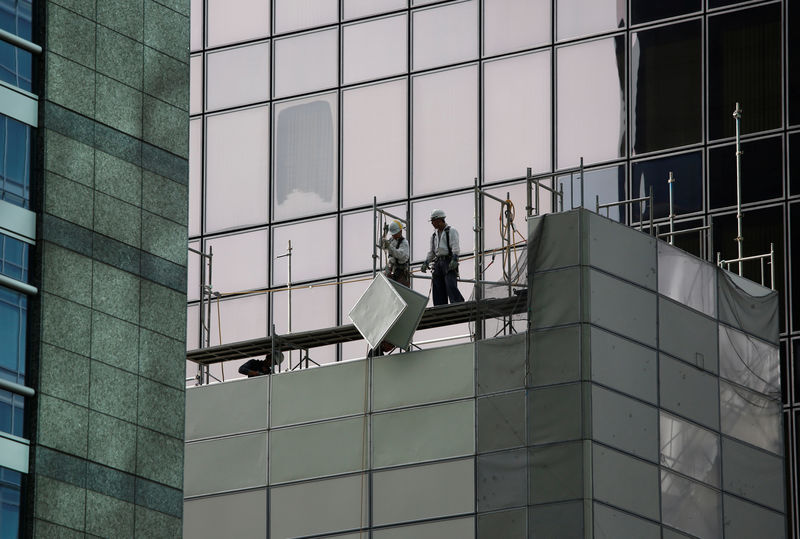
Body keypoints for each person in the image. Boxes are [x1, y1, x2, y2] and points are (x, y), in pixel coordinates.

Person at [422, 209, 465, 306]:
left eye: (433, 221)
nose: (432, 223)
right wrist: (426, 262)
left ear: (439, 220)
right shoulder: (434, 235)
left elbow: (455, 246)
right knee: (437, 286)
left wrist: (454, 258)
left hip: (448, 260)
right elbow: (432, 251)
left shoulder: (451, 231)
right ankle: (439, 306)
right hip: (438, 262)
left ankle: (458, 302)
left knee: (450, 283)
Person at [381, 220, 410, 287]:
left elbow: (399, 254)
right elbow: (382, 245)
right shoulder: (392, 240)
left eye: (394, 234)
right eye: (392, 234)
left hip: (400, 272)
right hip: (391, 269)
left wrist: (389, 246)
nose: (393, 235)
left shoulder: (404, 243)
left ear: (400, 231)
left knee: (400, 291)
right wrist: (384, 234)